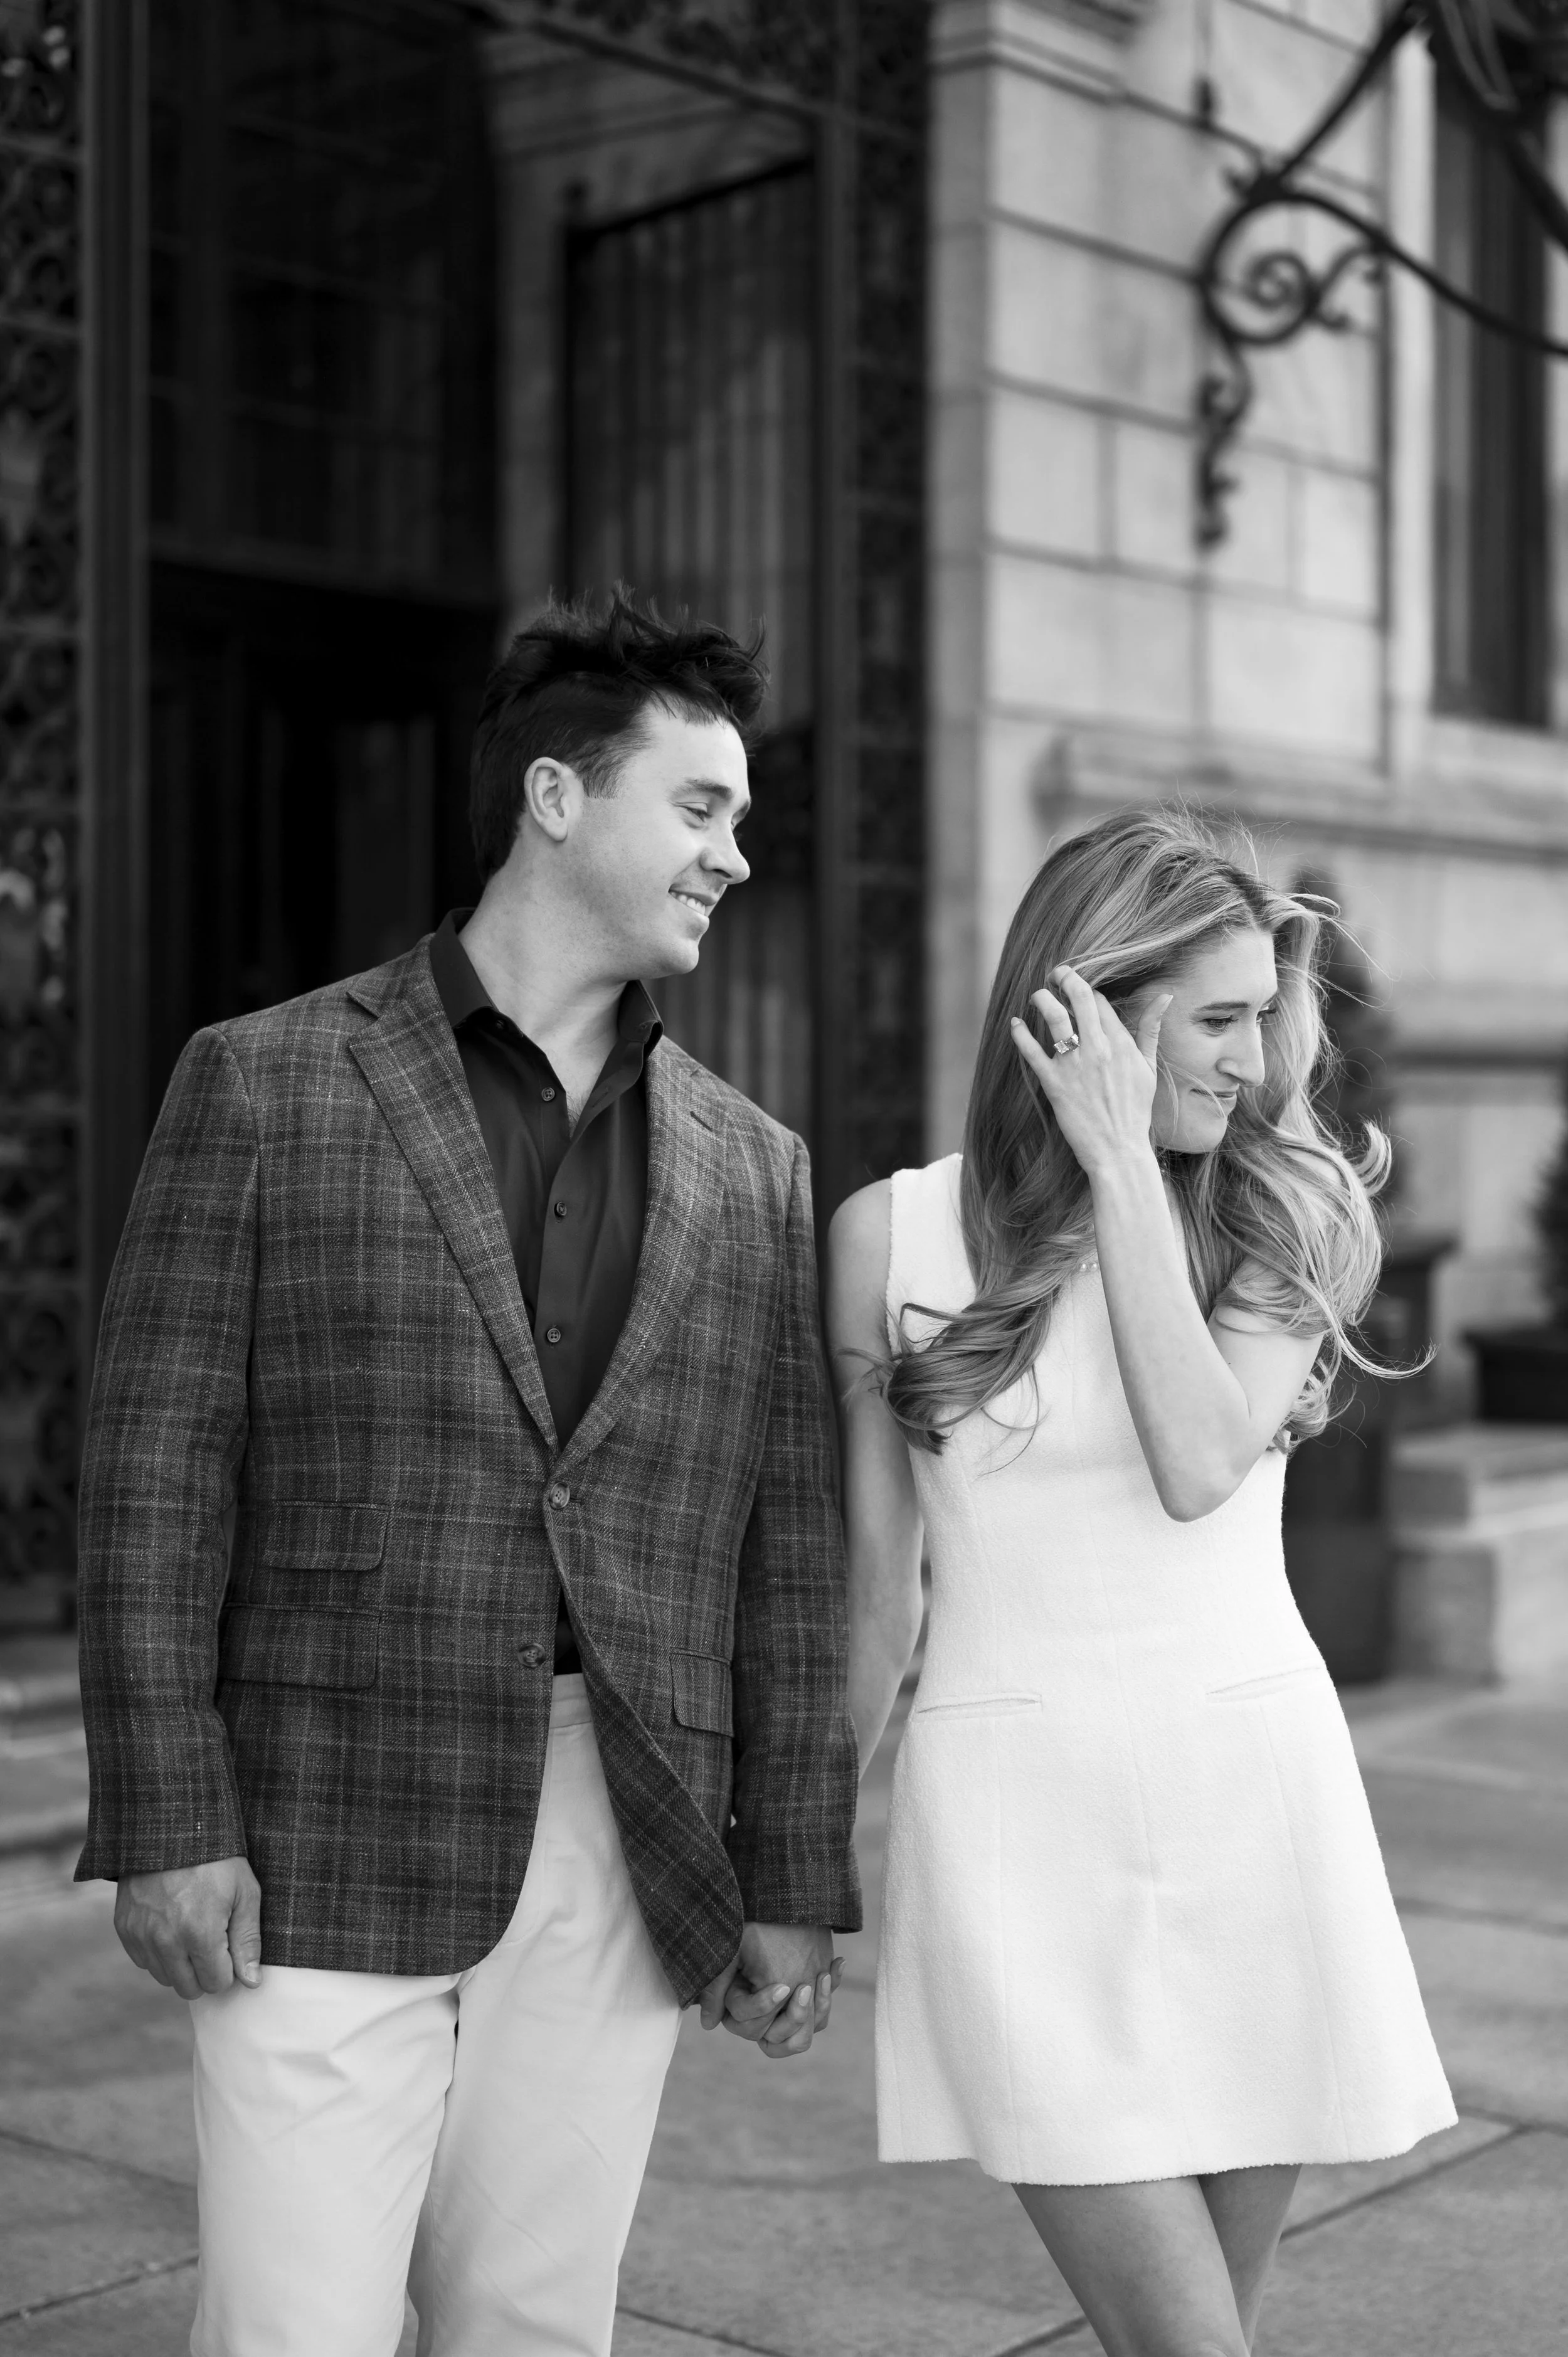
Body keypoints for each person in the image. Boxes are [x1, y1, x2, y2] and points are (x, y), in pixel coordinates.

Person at [75, 591, 861, 2357]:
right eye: (703, 806)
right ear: (557, 800)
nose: (736, 855)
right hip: (316, 1812)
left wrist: (789, 1866)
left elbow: (784, 1548)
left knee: (532, 2318)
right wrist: (167, 1811)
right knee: (295, 2326)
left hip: (624, 1821)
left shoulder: (754, 1163)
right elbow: (149, 1470)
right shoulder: (264, 1081)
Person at [829, 808, 1454, 2357]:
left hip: (1250, 1804)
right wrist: (789, 1867)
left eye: (1264, 1018)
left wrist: (1119, 1166)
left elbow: (1195, 1460)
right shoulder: (882, 1234)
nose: (1254, 1062)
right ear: (1084, 1012)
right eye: (1218, 1020)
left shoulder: (1277, 1210)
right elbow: (873, 1597)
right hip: (1011, 1832)